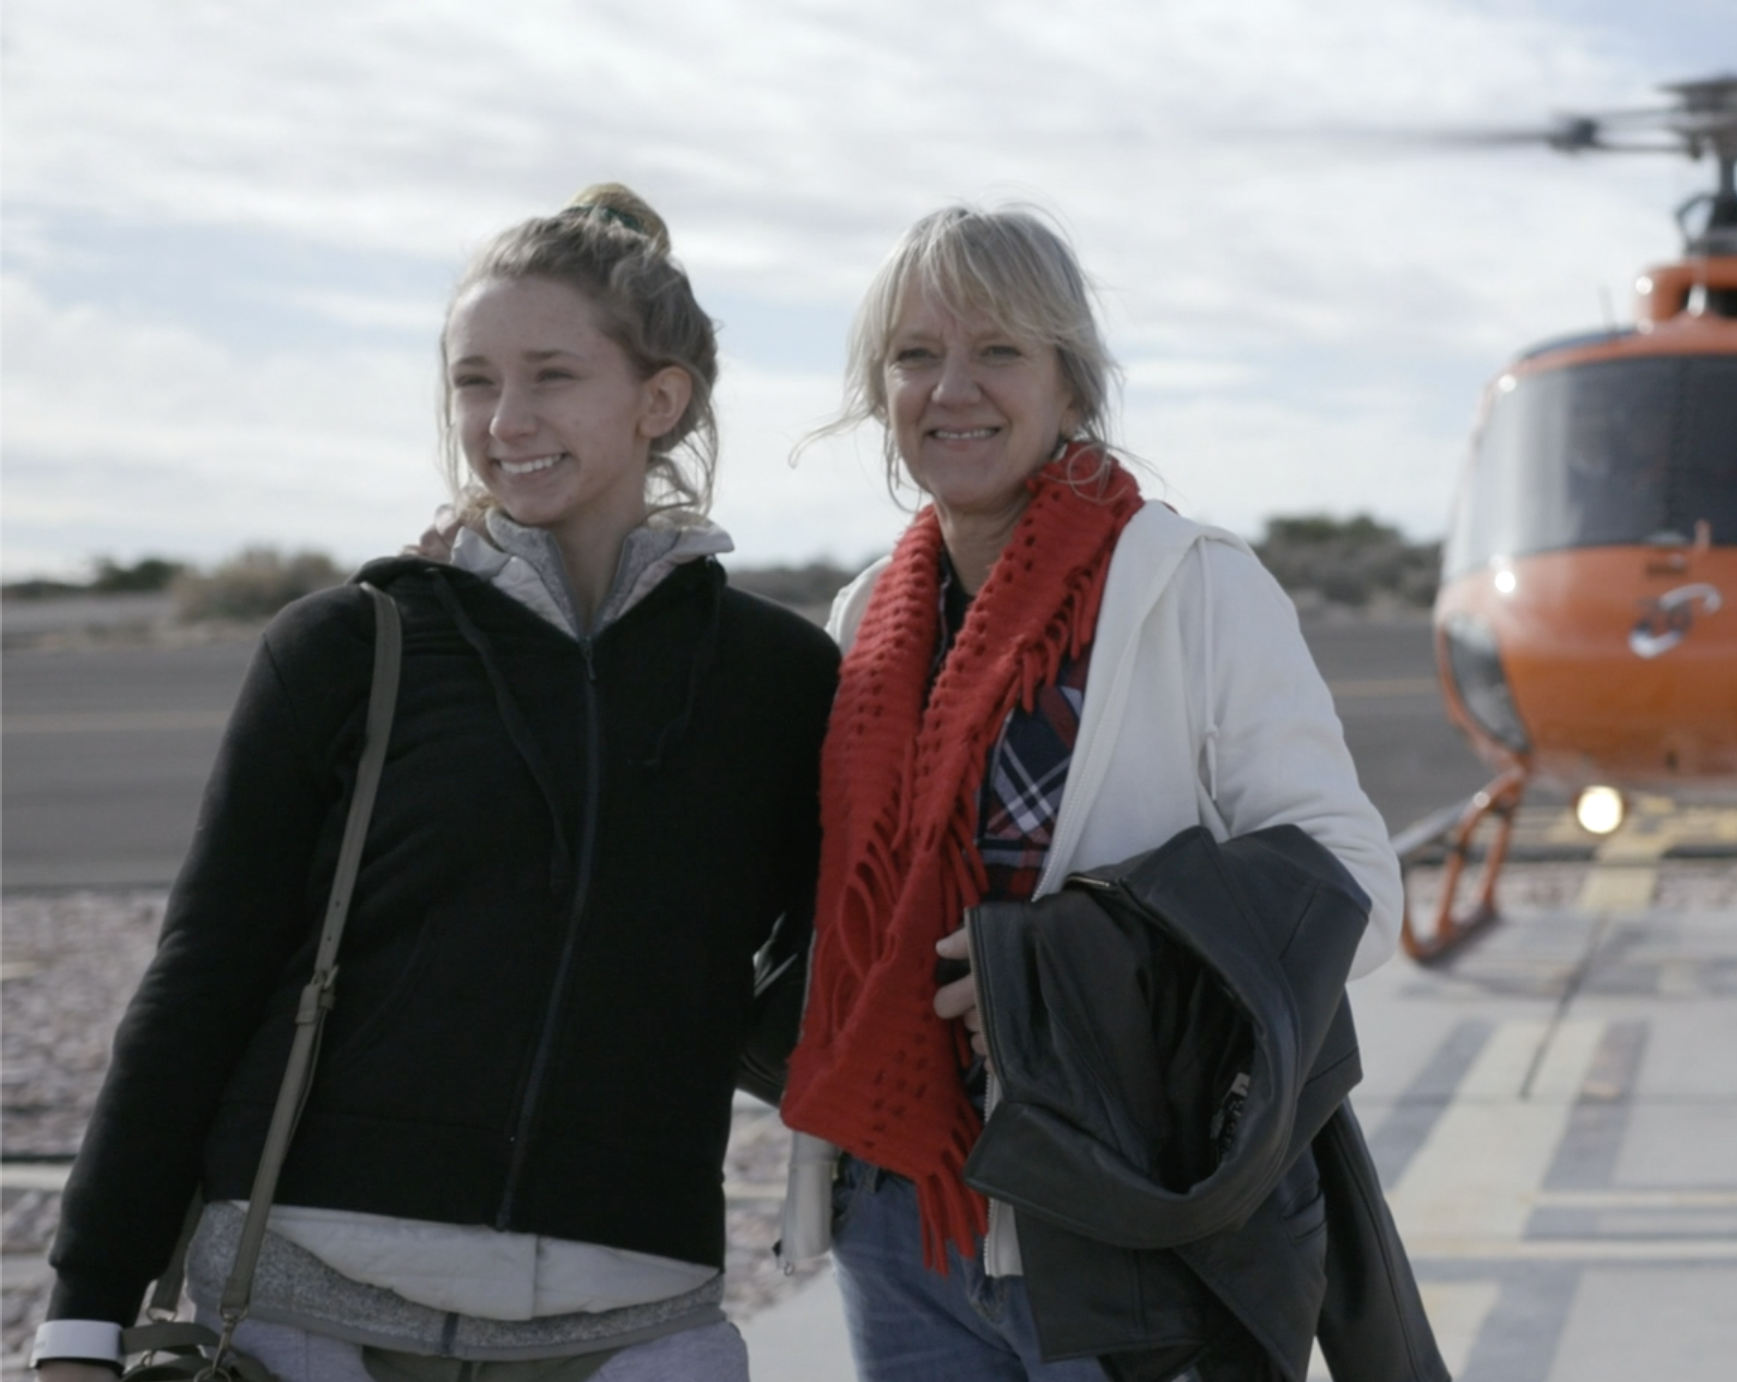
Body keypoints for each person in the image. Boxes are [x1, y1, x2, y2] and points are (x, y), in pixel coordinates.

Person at [33, 186, 840, 1382]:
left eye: (551, 374)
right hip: (304, 1304)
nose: (504, 418)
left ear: (659, 399)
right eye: (473, 379)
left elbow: (839, 951)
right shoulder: (350, 645)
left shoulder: (778, 679)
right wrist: (83, 1316)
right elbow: (199, 980)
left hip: (637, 1310)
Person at [774, 204, 1404, 1381]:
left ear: (1071, 385)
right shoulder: (868, 618)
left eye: (999, 350)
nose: (951, 386)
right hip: (902, 1214)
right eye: (915, 355)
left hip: (1122, 1231)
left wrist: (1069, 961)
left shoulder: (1194, 588)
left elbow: (1354, 892)